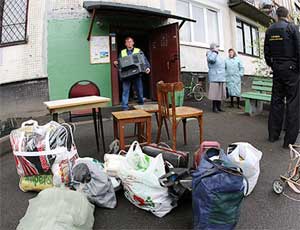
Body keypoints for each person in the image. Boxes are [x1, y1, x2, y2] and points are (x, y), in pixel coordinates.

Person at [264, 6, 300, 148]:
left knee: (276, 101)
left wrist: (273, 65)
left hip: (277, 69)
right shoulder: (292, 28)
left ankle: (273, 135)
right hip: (291, 70)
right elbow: (299, 49)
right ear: (287, 15)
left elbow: (266, 52)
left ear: (276, 15)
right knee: (293, 103)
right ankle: (289, 141)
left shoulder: (270, 30)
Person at [114, 37, 151, 110]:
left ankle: (141, 103)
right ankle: (124, 106)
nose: (129, 43)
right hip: (126, 74)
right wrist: (116, 63)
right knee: (125, 90)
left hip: (136, 73)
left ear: (133, 43)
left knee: (139, 90)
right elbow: (119, 63)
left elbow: (144, 59)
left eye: (130, 42)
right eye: (127, 42)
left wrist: (147, 67)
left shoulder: (138, 50)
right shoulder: (122, 52)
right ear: (125, 44)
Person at [206, 43, 227, 113]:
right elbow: (211, 60)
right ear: (212, 48)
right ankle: (214, 108)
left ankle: (219, 107)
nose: (218, 48)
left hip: (221, 77)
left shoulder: (217, 55)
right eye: (216, 47)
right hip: (215, 77)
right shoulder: (210, 54)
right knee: (215, 94)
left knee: (220, 93)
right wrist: (215, 52)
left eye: (218, 47)